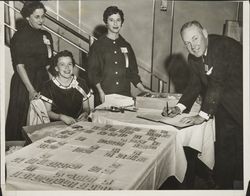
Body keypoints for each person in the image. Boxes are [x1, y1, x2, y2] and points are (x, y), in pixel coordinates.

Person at [162, 20, 243, 189]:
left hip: (244, 102)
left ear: (205, 34)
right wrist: (179, 107)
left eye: (196, 39)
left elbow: (216, 83)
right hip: (224, 106)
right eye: (187, 43)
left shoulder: (221, 47)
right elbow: (194, 84)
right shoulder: (193, 58)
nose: (193, 46)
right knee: (224, 150)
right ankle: (225, 188)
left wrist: (202, 116)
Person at [6, 1, 53, 141]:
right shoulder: (19, 37)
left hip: (42, 79)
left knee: (42, 121)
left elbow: (49, 62)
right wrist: (31, 90)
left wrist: (52, 83)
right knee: (22, 121)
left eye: (43, 16)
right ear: (28, 17)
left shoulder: (46, 35)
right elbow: (20, 66)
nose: (41, 20)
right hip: (24, 83)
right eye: (37, 17)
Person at [88, 6, 150, 106]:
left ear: (122, 22)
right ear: (106, 22)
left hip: (124, 96)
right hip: (104, 96)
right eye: (111, 20)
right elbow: (93, 73)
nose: (115, 23)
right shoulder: (98, 46)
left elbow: (132, 72)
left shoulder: (126, 45)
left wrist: (143, 89)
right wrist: (100, 91)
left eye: (118, 20)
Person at [41, 50, 91, 125]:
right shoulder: (48, 86)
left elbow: (86, 107)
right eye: (62, 64)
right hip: (57, 126)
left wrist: (85, 113)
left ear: (73, 66)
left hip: (79, 125)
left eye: (69, 64)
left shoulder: (81, 83)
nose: (67, 68)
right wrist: (61, 117)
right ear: (56, 68)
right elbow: (47, 112)